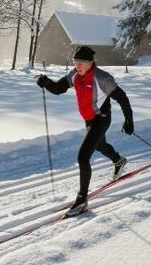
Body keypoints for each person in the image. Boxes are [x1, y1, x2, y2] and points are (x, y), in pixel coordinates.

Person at [35, 45, 135, 216]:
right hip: (89, 120)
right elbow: (59, 89)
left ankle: (82, 200)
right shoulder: (74, 74)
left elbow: (122, 98)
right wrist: (46, 82)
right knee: (99, 145)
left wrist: (128, 120)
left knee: (83, 157)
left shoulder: (102, 78)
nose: (78, 66)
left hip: (101, 119)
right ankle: (119, 161)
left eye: (81, 63)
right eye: (75, 62)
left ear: (90, 63)